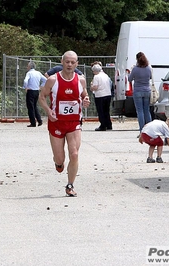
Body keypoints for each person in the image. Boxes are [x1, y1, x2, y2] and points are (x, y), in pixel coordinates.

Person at [38, 51, 90, 197]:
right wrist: (48, 111)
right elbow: (41, 97)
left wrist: (86, 100)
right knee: (60, 159)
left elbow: (84, 95)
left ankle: (70, 185)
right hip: (57, 123)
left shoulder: (81, 80)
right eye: (67, 62)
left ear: (77, 64)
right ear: (62, 62)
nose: (69, 65)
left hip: (74, 123)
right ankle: (59, 163)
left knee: (74, 154)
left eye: (73, 62)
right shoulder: (53, 80)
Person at [128, 52, 152, 134]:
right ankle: (150, 130)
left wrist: (130, 73)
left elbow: (130, 79)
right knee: (147, 110)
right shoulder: (148, 68)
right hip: (147, 91)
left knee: (140, 111)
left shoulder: (135, 69)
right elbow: (151, 77)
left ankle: (142, 131)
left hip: (138, 90)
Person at [23, 61, 47, 127]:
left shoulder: (29, 73)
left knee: (30, 107)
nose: (27, 67)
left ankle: (33, 122)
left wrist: (26, 87)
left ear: (30, 67)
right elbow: (45, 80)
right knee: (35, 106)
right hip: (37, 91)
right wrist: (40, 86)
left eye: (27, 66)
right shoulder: (38, 73)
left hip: (30, 91)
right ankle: (39, 120)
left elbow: (25, 81)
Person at [90, 64, 112, 131]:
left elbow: (95, 87)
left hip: (100, 95)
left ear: (95, 71)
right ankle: (109, 124)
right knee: (106, 110)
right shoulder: (106, 75)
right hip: (108, 94)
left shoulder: (96, 77)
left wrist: (91, 87)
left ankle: (103, 125)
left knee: (101, 111)